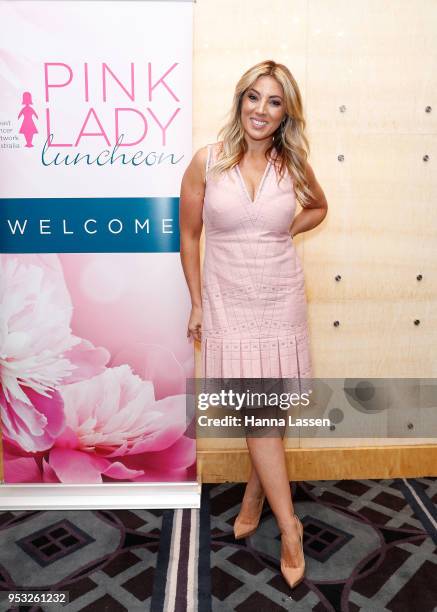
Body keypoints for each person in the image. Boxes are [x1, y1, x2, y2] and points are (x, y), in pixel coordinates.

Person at [179, 59, 328, 590]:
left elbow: (319, 209)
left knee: (268, 406)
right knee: (258, 409)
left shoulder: (293, 165)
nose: (261, 110)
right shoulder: (207, 161)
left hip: (279, 294)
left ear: (286, 113)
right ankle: (287, 523)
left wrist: (283, 229)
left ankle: (266, 506)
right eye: (253, 98)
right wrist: (197, 303)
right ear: (239, 100)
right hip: (227, 299)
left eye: (274, 101)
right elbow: (190, 237)